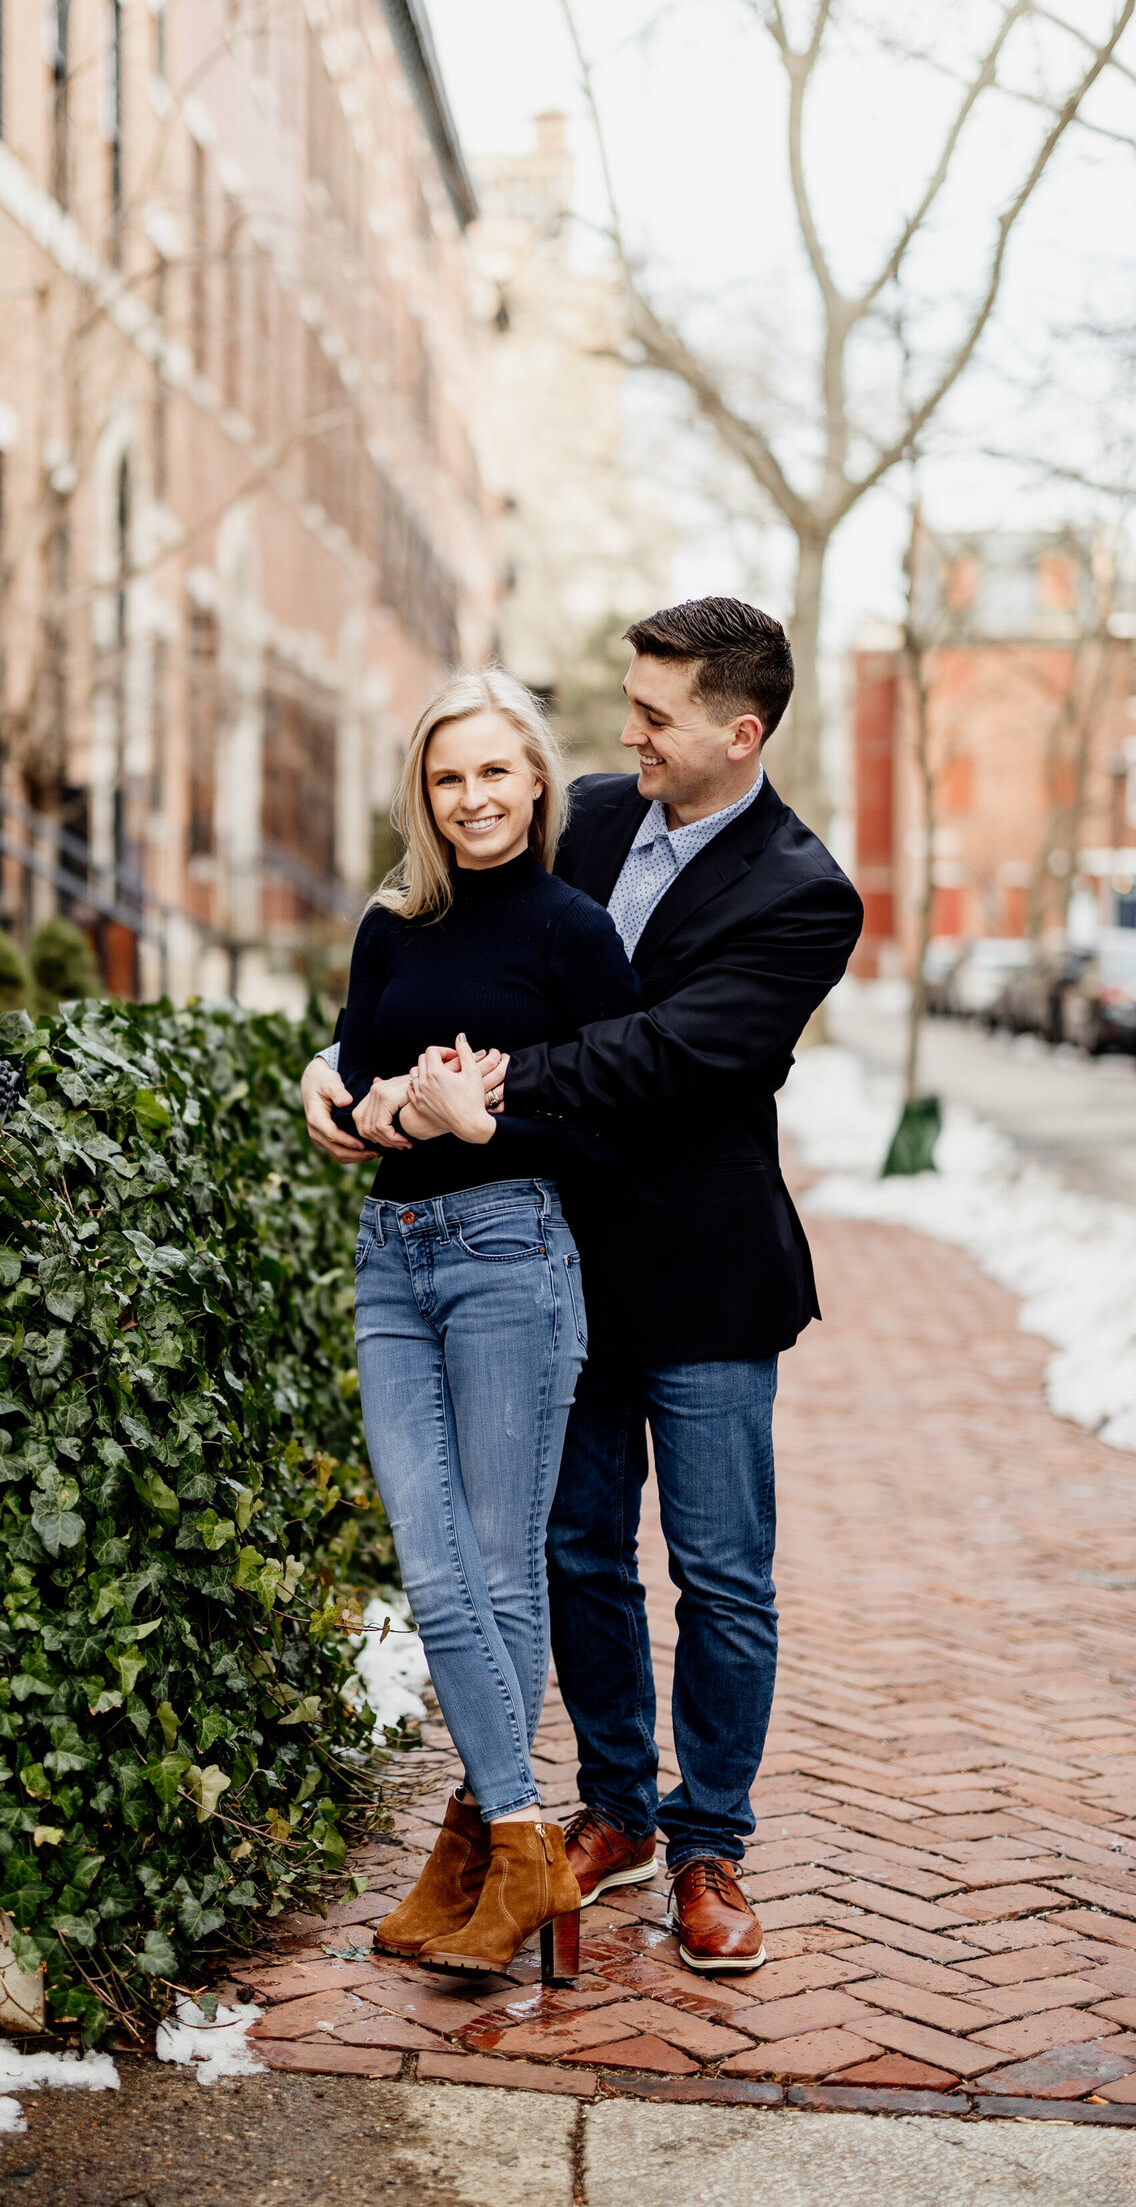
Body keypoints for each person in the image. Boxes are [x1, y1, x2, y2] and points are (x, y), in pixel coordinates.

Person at [305, 601, 863, 1975]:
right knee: (576, 1554)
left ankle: (711, 1842)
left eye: (658, 713)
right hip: (550, 1264)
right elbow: (457, 948)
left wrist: (464, 1099)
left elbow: (666, 1056)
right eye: (629, 705)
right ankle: (610, 1808)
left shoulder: (805, 893)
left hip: (704, 1272)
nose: (630, 731)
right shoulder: (590, 816)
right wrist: (351, 1072)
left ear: (741, 732)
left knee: (722, 1575)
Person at [335, 667, 640, 1982]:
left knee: (493, 1573)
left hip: (512, 1249)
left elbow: (618, 1123)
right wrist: (367, 1098)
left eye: (497, 774)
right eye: (450, 777)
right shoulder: (391, 927)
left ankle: (496, 1843)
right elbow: (352, 1074)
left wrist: (483, 1126)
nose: (475, 799)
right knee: (432, 1556)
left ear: (536, 784)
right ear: (429, 792)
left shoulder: (574, 932)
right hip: (391, 1256)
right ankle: (507, 1845)